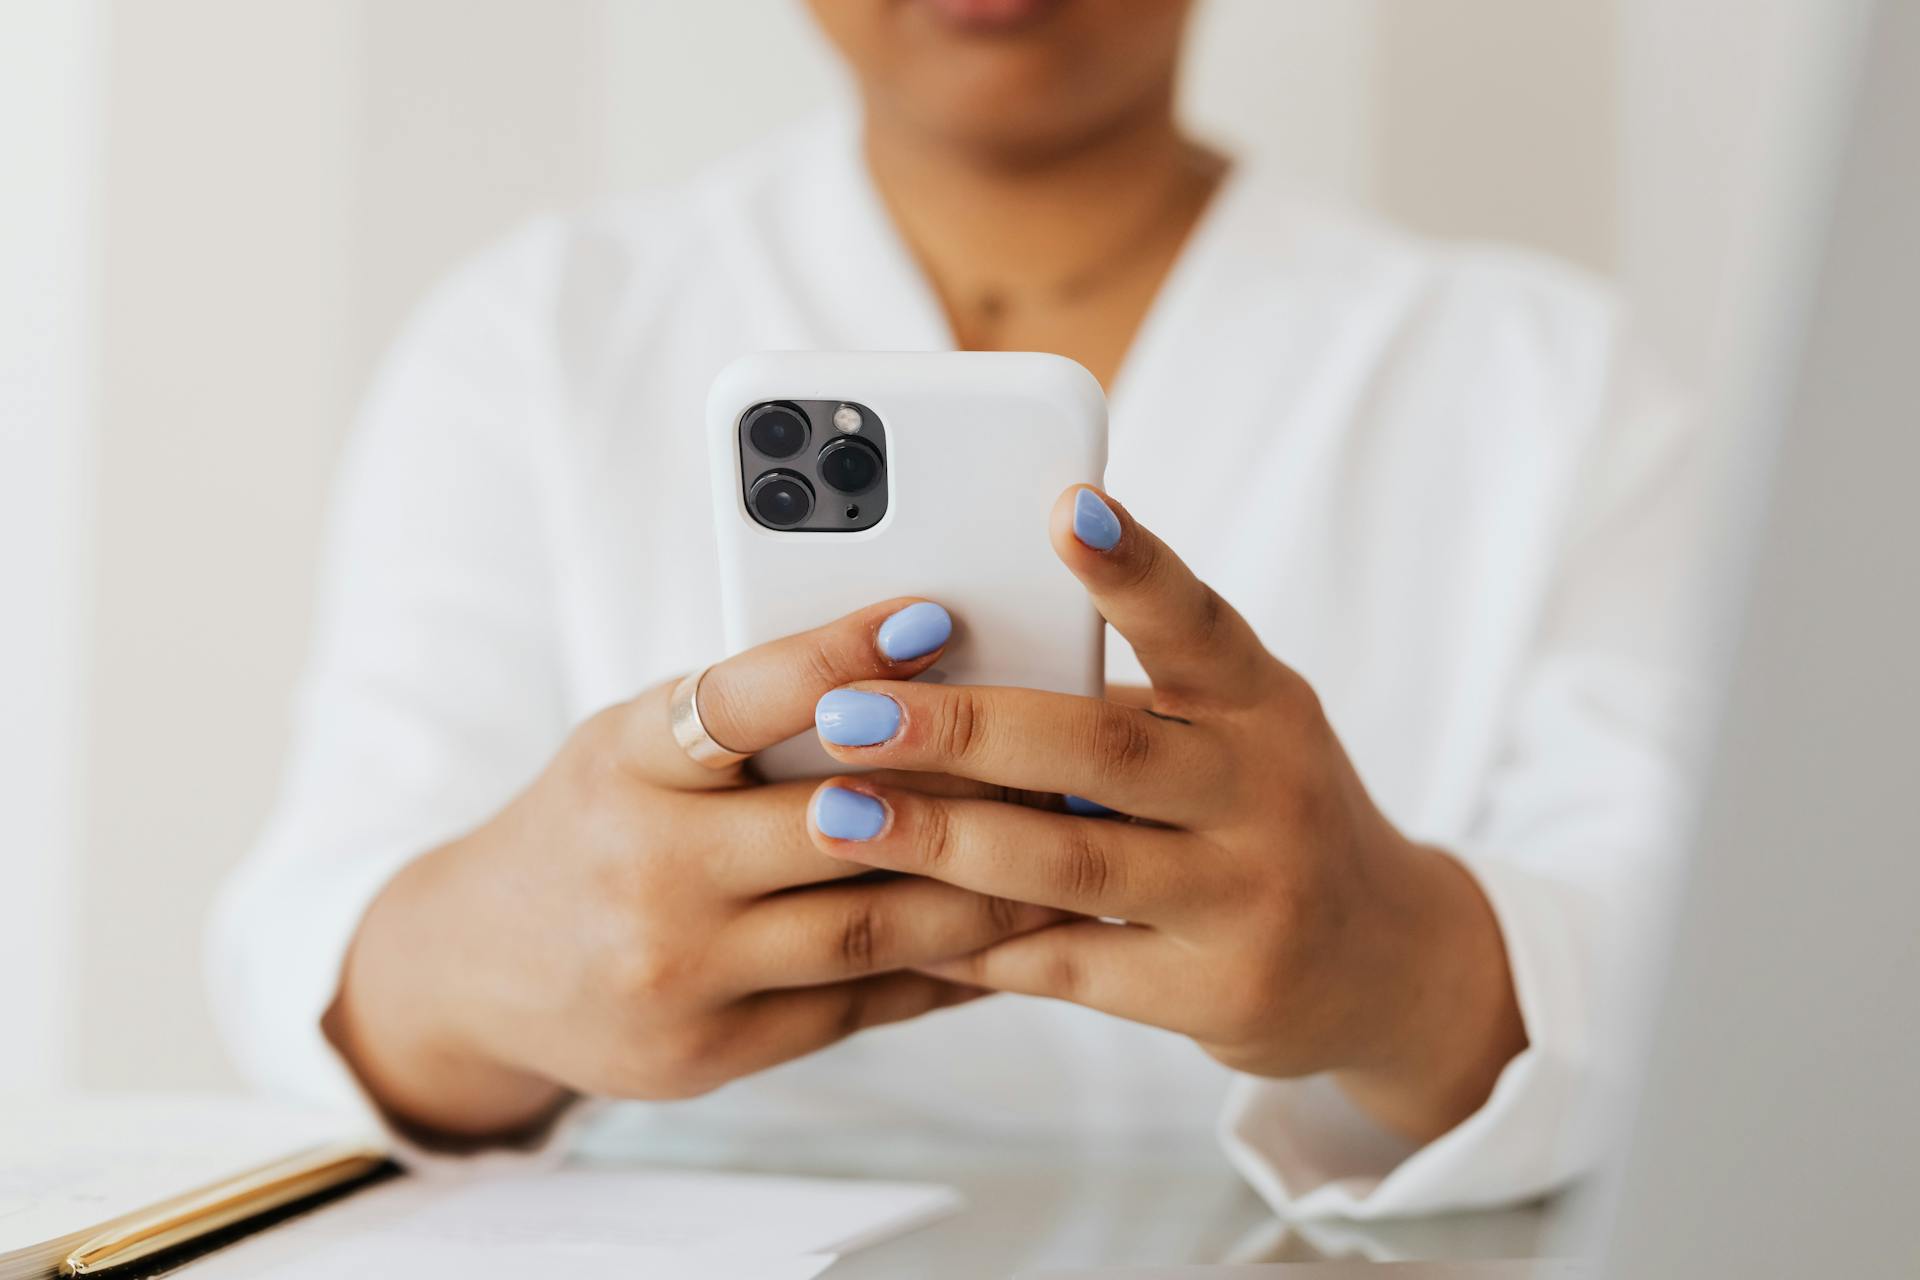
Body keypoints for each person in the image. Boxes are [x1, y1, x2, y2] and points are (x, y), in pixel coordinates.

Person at [209, 0, 1710, 1219]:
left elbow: (1718, 979)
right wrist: (492, 956)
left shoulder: (1552, 384)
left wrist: (1406, 967)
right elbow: (305, 937)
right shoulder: (536, 338)